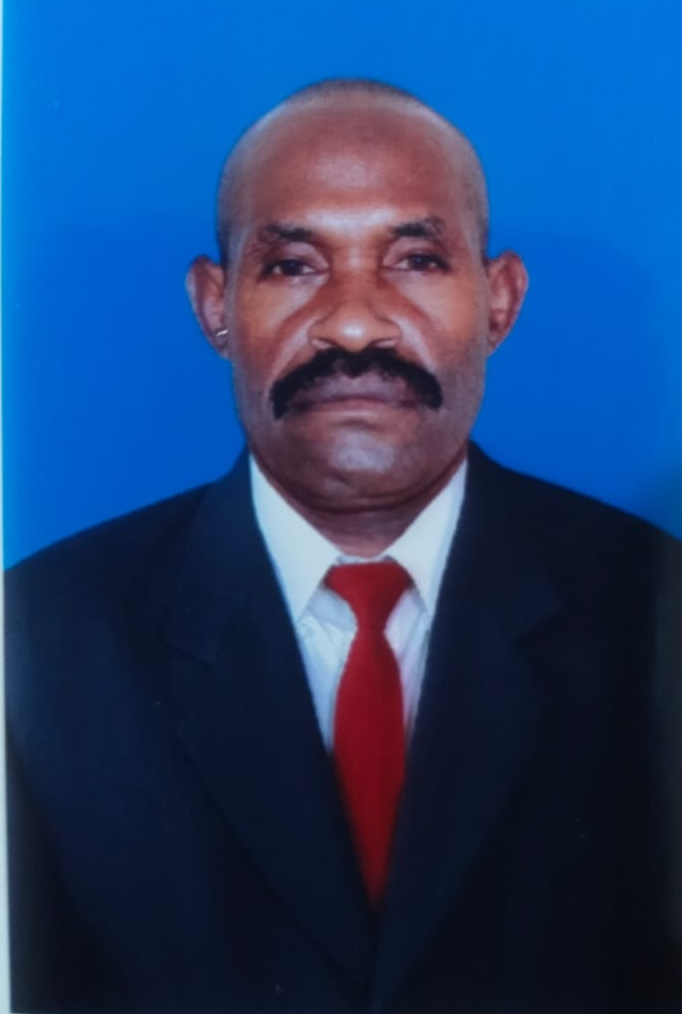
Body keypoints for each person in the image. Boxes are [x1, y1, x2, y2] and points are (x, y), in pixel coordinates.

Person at [5, 78, 681, 1013]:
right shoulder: (35, 645)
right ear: (214, 304)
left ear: (499, 300)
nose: (354, 323)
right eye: (293, 266)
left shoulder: (659, 615)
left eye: (416, 260)